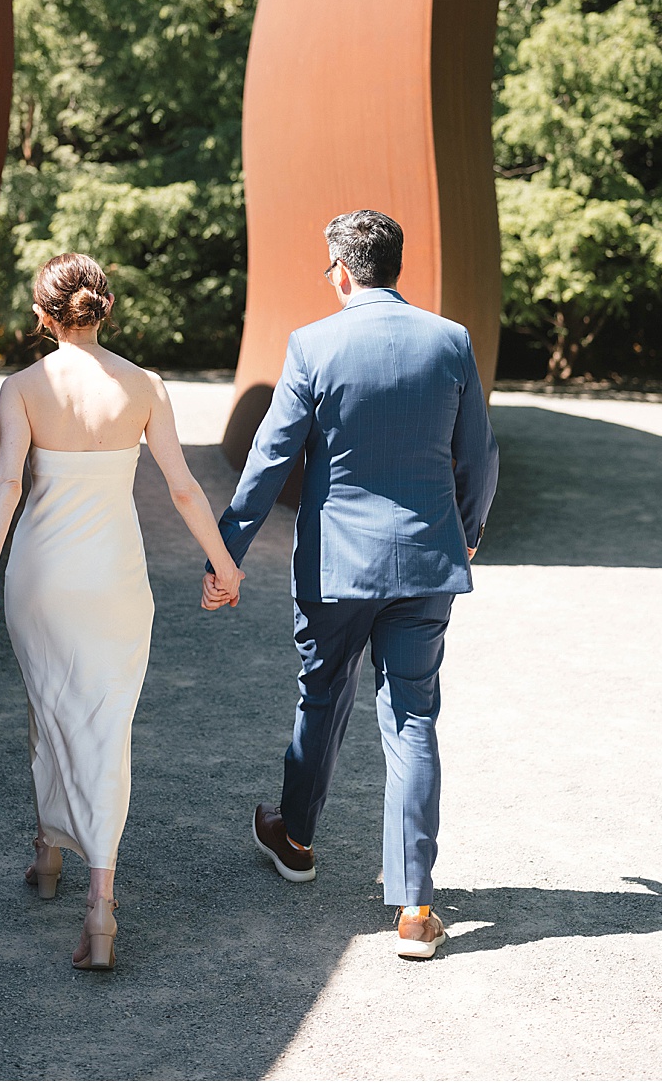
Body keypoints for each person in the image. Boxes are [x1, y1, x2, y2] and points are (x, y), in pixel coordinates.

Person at [203, 209, 498, 960]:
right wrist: (467, 528)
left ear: (341, 269)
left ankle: (296, 840)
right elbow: (480, 457)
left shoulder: (313, 344)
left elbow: (271, 457)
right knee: (411, 720)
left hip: (336, 567)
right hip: (428, 563)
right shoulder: (450, 340)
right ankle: (413, 906)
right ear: (393, 265)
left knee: (323, 694)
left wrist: (225, 553)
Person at [0, 252, 244, 971]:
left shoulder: (22, 386)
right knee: (105, 722)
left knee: (47, 701)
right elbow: (183, 487)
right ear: (105, 308)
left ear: (42, 314)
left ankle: (48, 854)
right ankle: (101, 904)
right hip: (115, 575)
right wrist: (223, 561)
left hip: (40, 572)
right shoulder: (144, 385)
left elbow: (6, 480)